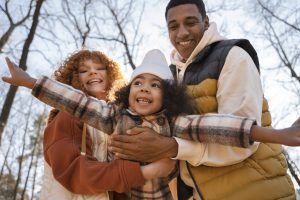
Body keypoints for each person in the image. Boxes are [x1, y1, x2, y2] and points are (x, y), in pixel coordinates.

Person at [2, 49, 300, 199]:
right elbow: (74, 103)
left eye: (154, 85)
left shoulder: (176, 123)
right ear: (128, 90)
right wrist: (29, 81)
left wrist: (280, 135)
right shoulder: (107, 116)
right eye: (139, 83)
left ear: (167, 95)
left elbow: (221, 127)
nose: (144, 88)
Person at [105, 0, 298, 199]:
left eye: (190, 22)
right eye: (173, 27)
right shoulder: (167, 77)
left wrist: (171, 147)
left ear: (205, 23)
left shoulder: (232, 56)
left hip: (254, 190)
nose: (182, 33)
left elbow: (237, 140)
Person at [30, 49, 176, 200]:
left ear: (111, 75)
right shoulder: (67, 116)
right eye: (84, 70)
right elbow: (74, 173)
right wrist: (146, 172)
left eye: (100, 68)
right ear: (72, 77)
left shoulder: (122, 119)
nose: (93, 72)